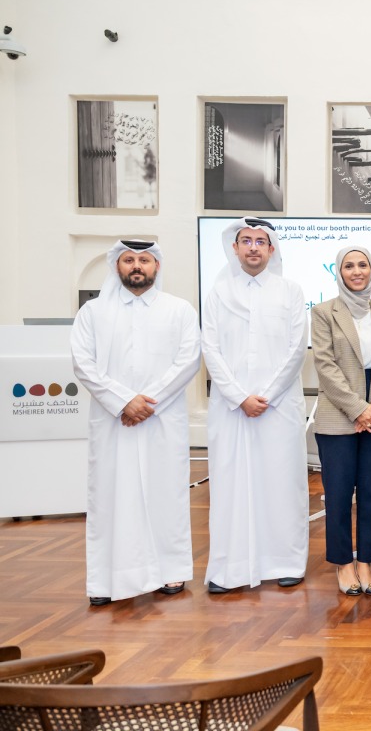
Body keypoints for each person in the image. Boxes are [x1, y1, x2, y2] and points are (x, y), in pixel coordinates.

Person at [70, 239, 202, 606]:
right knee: (111, 497)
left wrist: (145, 403)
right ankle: (106, 579)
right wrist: (123, 402)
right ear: (117, 266)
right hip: (113, 422)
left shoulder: (179, 310)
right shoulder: (93, 312)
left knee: (165, 493)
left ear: (156, 266)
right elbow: (83, 363)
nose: (137, 266)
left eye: (144, 260)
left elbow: (188, 360)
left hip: (161, 420)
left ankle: (170, 570)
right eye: (129, 260)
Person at [202, 217, 309, 593]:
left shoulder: (290, 291)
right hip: (232, 409)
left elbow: (297, 349)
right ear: (234, 248)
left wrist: (265, 394)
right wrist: (240, 397)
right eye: (245, 241)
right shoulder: (218, 293)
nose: (252, 247)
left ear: (271, 248)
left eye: (260, 241)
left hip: (277, 408)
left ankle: (286, 562)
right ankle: (229, 568)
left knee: (282, 484)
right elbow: (210, 348)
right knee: (230, 487)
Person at [310, 246, 371, 597]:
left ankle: (366, 561)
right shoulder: (323, 312)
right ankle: (344, 562)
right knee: (339, 493)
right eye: (349, 265)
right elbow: (325, 366)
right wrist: (358, 409)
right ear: (339, 271)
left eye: (363, 265)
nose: (357, 271)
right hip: (338, 415)